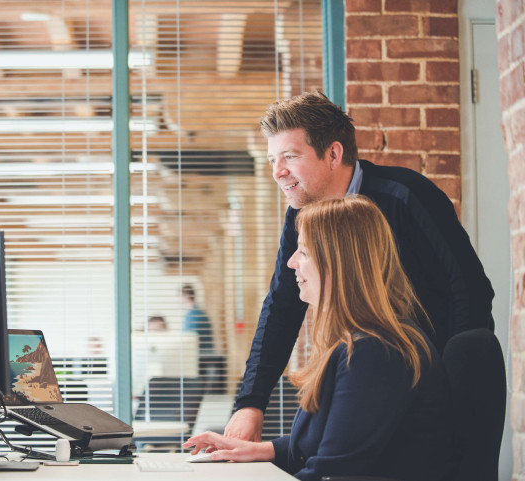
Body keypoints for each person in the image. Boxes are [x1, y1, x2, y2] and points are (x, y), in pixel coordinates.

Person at [225, 91, 494, 442]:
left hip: (427, 393)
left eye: (290, 156)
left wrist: (448, 389)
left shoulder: (405, 196)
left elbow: (469, 291)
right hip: (366, 384)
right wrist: (251, 403)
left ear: (333, 154)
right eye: (273, 159)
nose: (278, 172)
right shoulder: (302, 213)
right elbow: (282, 305)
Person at [184, 196, 454, 481]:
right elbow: (327, 443)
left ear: (338, 262)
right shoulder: (360, 343)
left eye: (303, 252)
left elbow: (331, 472)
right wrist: (253, 450)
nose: (291, 262)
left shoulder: (375, 352)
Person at [181, 284, 215, 355]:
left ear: (186, 295)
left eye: (179, 296)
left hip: (201, 357)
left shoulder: (194, 315)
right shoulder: (198, 312)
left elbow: (191, 341)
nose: (178, 300)